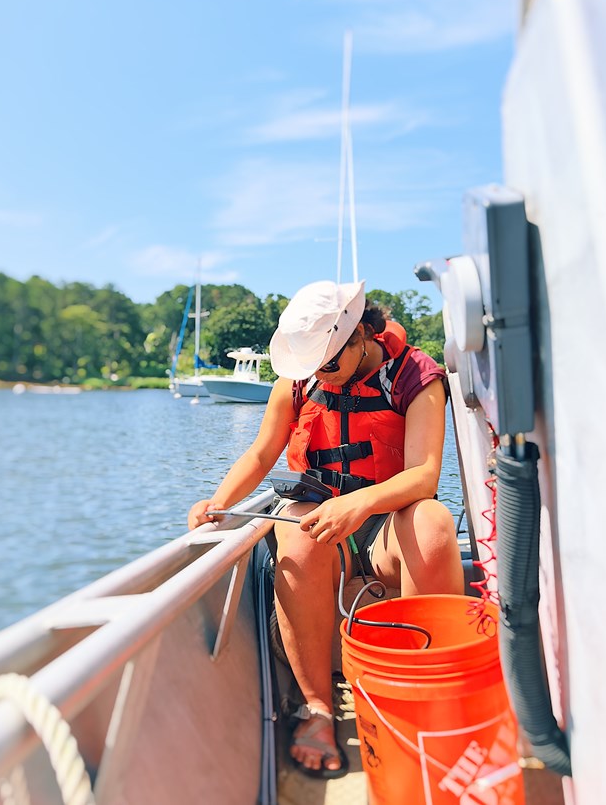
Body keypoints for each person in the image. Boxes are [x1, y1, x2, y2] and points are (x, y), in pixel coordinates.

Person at [188, 280, 463, 779]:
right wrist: (218, 503)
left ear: (361, 334)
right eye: (313, 365)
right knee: (294, 535)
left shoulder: (415, 375)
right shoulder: (298, 383)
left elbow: (424, 475)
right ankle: (317, 709)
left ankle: (426, 701)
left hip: (386, 522)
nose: (323, 376)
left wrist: (358, 504)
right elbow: (260, 453)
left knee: (434, 524)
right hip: (322, 520)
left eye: (330, 363)